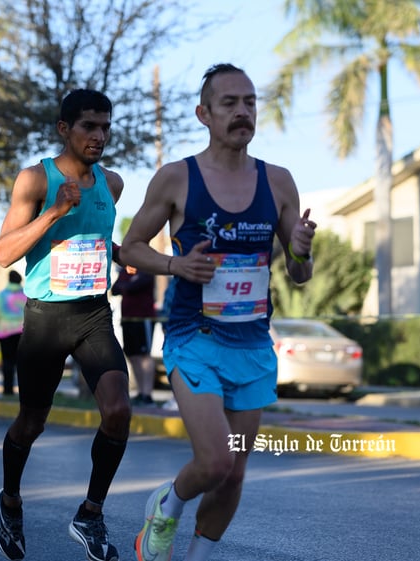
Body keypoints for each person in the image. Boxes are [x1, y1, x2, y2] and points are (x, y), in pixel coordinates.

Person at [120, 63, 316, 561]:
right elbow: (131, 249)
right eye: (229, 103)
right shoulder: (176, 178)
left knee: (234, 472)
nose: (242, 112)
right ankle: (167, 504)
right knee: (213, 461)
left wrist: (299, 250)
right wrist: (175, 265)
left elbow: (298, 274)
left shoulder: (278, 182)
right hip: (194, 337)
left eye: (249, 102)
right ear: (203, 114)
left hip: (251, 344)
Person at [0, 88, 131, 561]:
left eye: (106, 126)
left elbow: (96, 239)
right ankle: (10, 499)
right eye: (89, 126)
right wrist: (55, 211)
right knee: (32, 421)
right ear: (64, 129)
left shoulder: (112, 184)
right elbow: (5, 252)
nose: (99, 135)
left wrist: (124, 257)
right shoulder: (35, 180)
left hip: (93, 313)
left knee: (117, 411)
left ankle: (90, 513)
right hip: (47, 317)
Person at [111, 266, 157, 406]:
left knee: (144, 355)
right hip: (127, 318)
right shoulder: (127, 270)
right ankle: (140, 391)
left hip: (143, 318)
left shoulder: (147, 269)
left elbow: (135, 286)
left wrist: (127, 286)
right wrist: (128, 285)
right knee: (133, 355)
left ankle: (147, 395)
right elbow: (115, 289)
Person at [0, 270, 27, 396]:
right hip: (23, 332)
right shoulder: (26, 295)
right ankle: (25, 391)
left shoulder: (2, 296)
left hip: (5, 332)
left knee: (7, 362)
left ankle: (8, 390)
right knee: (23, 363)